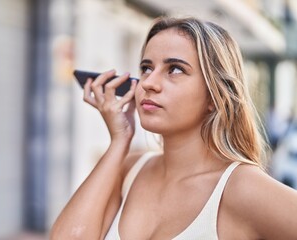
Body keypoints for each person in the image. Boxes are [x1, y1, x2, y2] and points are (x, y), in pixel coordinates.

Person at [51, 17, 297, 239]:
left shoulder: (241, 187)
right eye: (146, 68)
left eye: (175, 69)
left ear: (214, 96)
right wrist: (119, 141)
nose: (149, 83)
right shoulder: (129, 170)